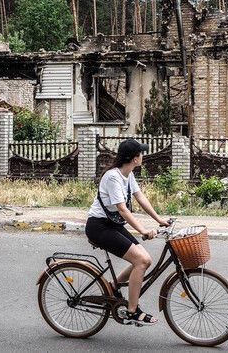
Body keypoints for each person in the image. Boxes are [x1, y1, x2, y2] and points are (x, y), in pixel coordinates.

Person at [85, 138, 170, 326]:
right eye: (141, 153)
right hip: (99, 226)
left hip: (112, 224)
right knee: (141, 260)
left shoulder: (128, 174)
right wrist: (143, 230)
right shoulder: (113, 176)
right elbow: (122, 209)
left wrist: (159, 220)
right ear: (133, 158)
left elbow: (140, 197)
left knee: (144, 259)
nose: (143, 156)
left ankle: (112, 286)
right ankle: (132, 311)